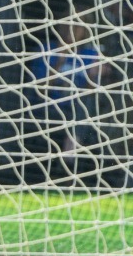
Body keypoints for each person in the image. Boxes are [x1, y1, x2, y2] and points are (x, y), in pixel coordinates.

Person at [29, 11, 114, 157]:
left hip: (78, 111)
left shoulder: (90, 56)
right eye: (68, 24)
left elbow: (91, 95)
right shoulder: (47, 50)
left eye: (77, 26)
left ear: (85, 30)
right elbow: (40, 90)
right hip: (50, 108)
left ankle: (70, 154)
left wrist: (93, 77)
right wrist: (60, 60)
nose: (72, 29)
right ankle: (70, 160)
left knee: (85, 105)